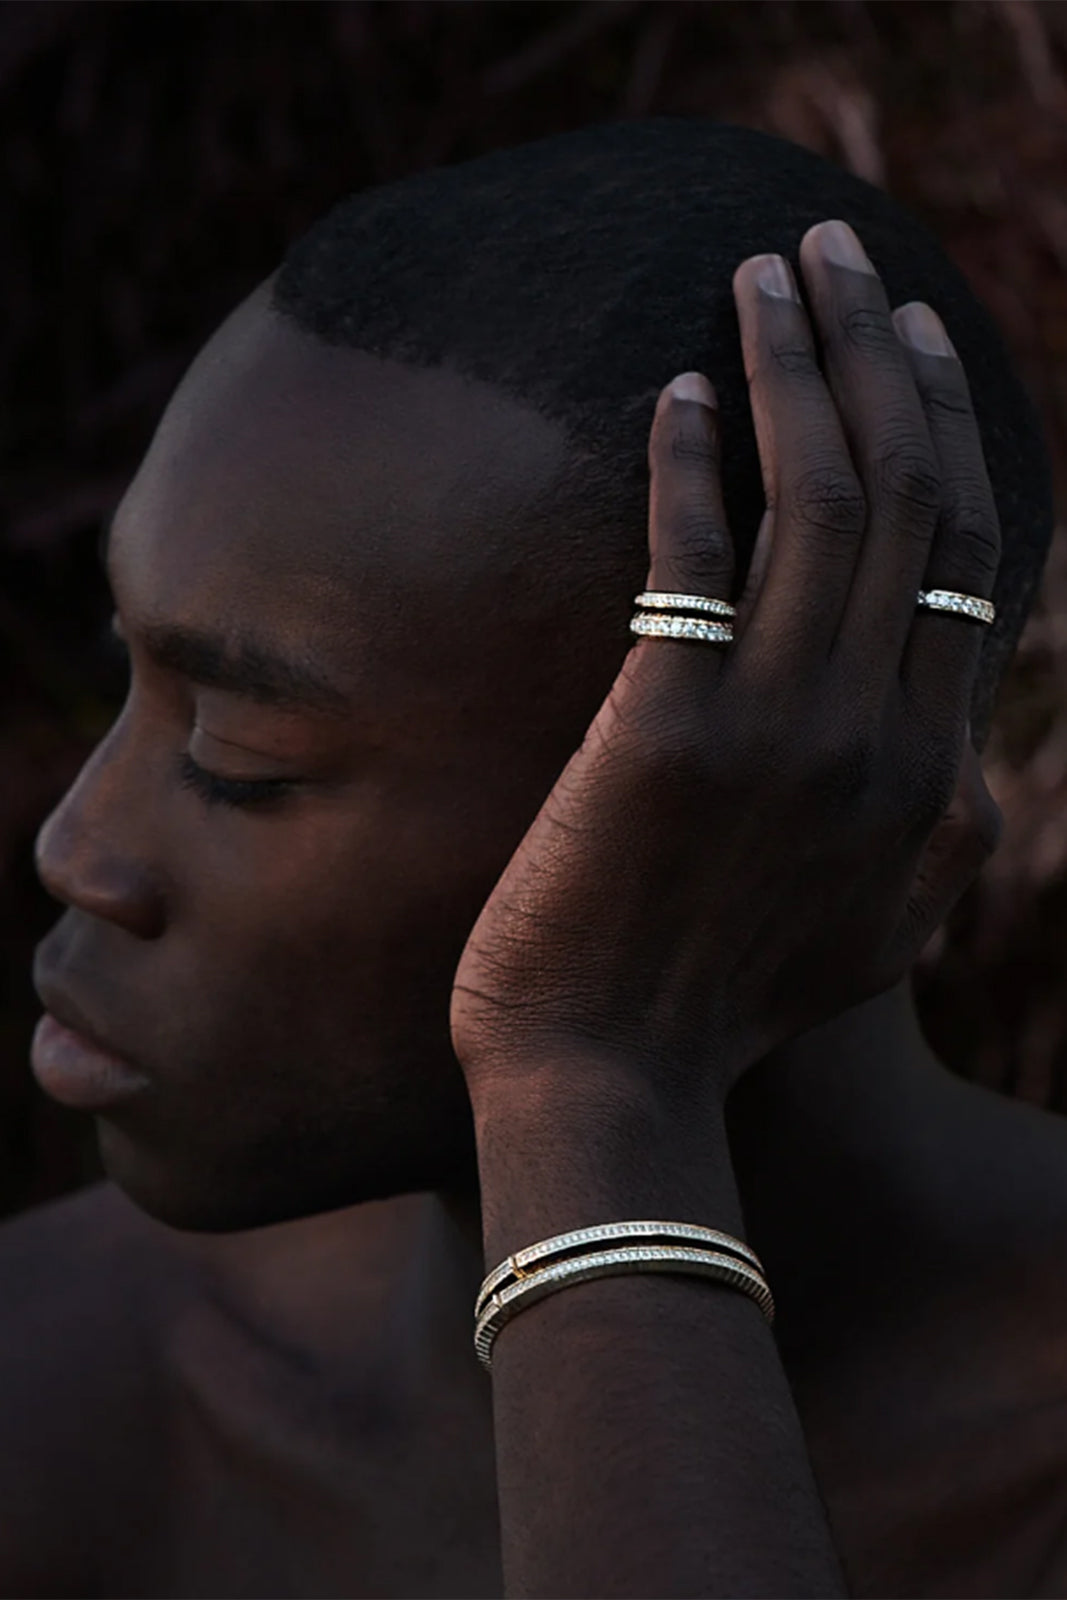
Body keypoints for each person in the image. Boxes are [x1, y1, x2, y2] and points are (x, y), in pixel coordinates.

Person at [2, 116, 1063, 1597]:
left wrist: (590, 1079)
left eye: (243, 762)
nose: (79, 849)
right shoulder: (60, 1393)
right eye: (128, 672)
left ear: (780, 803)